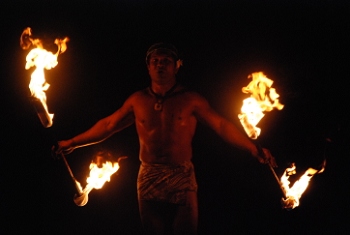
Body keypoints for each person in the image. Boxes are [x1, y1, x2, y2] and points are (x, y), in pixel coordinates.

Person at [55, 42, 277, 235]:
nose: (160, 65)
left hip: (180, 173)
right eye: (155, 61)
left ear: (177, 65)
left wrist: (251, 147)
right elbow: (108, 125)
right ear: (148, 66)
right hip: (149, 172)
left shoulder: (191, 100)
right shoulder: (137, 100)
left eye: (166, 61)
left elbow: (220, 125)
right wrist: (72, 142)